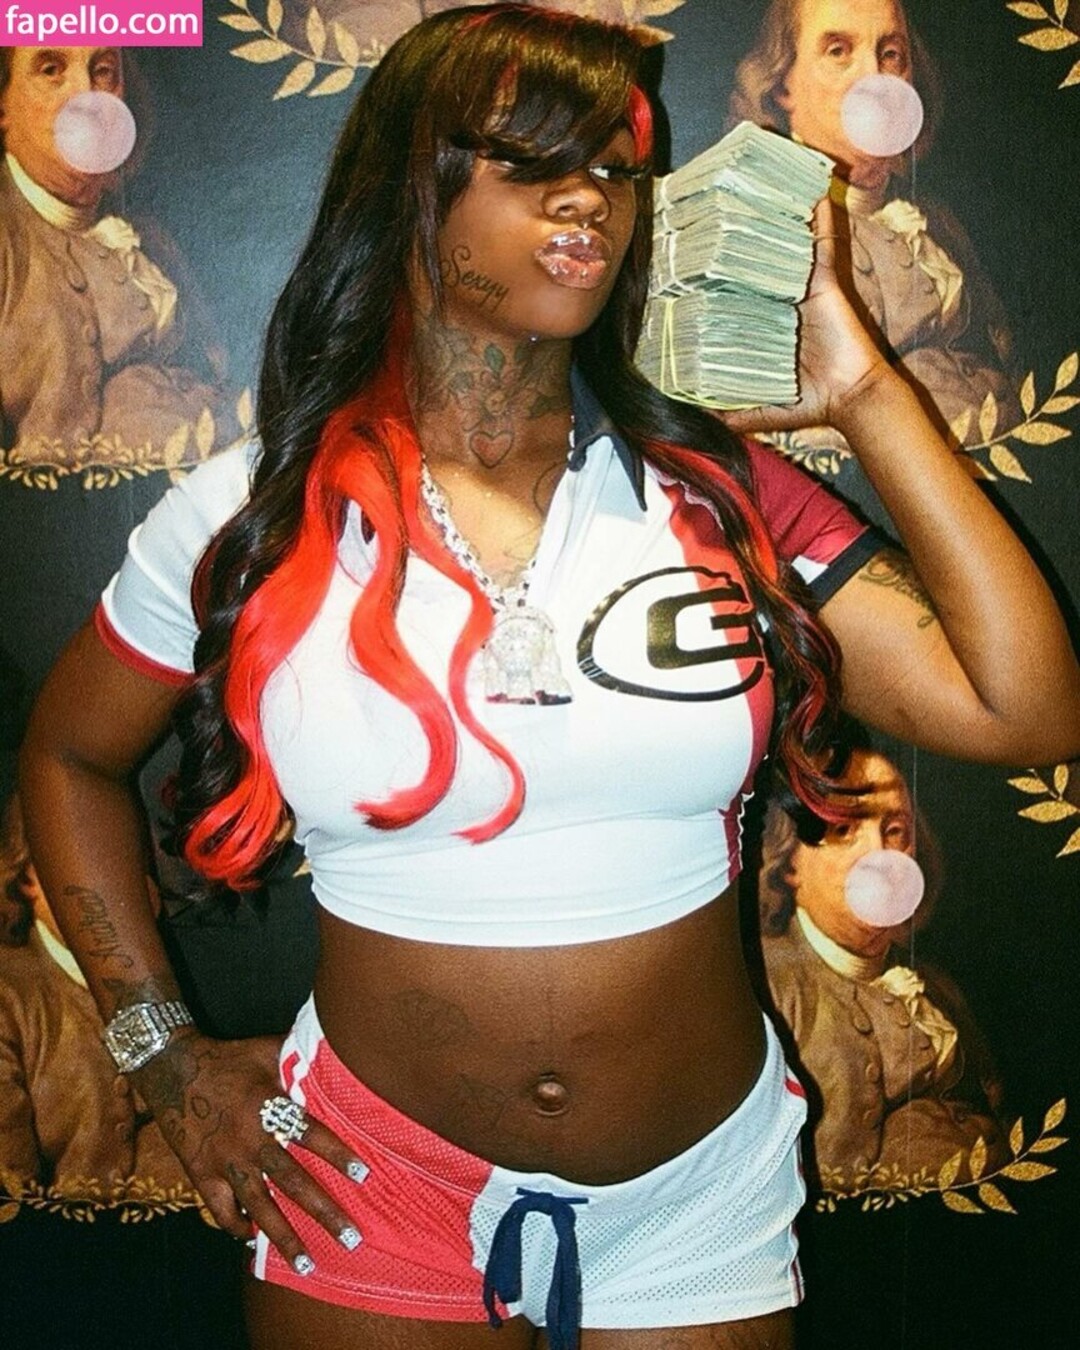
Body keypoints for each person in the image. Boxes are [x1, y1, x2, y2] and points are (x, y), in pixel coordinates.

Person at [17, 6, 1080, 1348]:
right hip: (370, 1179)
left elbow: (1025, 706)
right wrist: (159, 1055)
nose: (590, 195)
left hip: (696, 1198)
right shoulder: (257, 509)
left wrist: (864, 389)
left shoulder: (717, 494)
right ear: (410, 183)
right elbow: (69, 756)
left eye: (617, 166)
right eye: (531, 158)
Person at [729, 0, 1020, 475]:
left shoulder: (937, 222)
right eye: (838, 51)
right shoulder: (764, 229)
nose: (874, 79)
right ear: (782, 86)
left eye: (890, 55)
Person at [759, 747, 1008, 1192]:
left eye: (894, 831)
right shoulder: (771, 986)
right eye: (844, 829)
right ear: (790, 859)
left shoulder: (936, 989)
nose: (879, 854)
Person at [0, 45, 235, 470]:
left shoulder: (149, 237)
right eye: (51, 70)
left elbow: (224, 369)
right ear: (3, 106)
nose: (87, 95)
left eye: (104, 70)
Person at [0, 793, 193, 1196]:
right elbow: (11, 1199)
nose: (125, 882)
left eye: (138, 858)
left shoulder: (190, 969)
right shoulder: (9, 997)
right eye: (89, 859)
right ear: (26, 878)